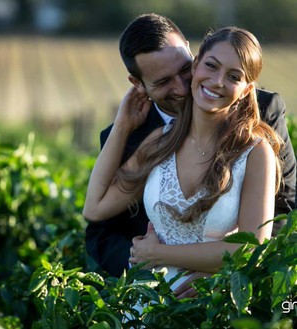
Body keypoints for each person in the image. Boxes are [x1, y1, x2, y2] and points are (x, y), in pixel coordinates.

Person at [85, 14, 296, 290]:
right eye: (163, 82)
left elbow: (280, 216)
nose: (182, 87)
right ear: (138, 84)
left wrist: (220, 278)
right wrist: (145, 267)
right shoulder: (153, 141)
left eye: (184, 70)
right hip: (149, 292)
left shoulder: (259, 140)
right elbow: (98, 217)